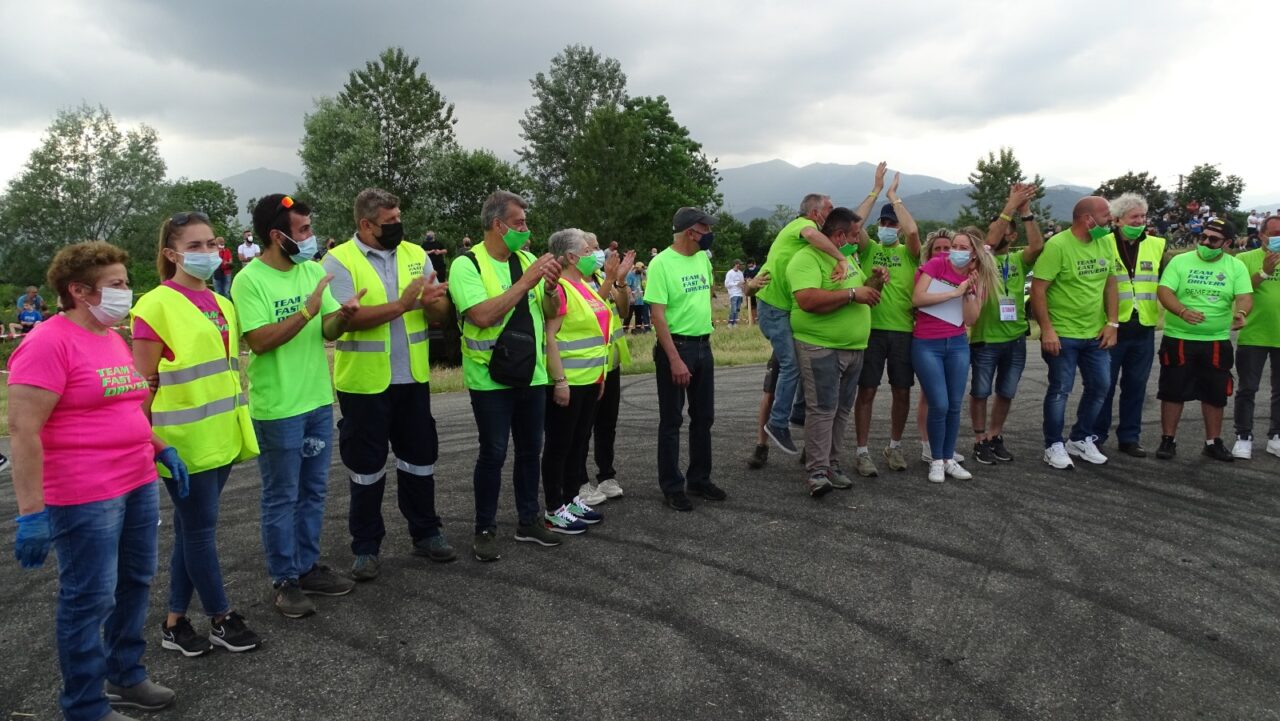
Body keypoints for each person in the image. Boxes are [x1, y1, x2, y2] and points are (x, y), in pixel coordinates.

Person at [9, 240, 183, 721]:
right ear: (79, 291)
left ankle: (125, 675)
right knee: (89, 599)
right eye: (117, 284)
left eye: (126, 282)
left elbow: (123, 407)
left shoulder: (108, 337)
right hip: (84, 493)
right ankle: (84, 705)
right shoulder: (47, 343)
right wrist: (31, 513)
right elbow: (23, 430)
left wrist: (160, 447)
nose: (127, 292)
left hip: (136, 480)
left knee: (135, 581)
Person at [131, 211, 262, 656]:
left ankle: (174, 622)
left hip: (221, 434)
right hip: (182, 441)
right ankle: (221, 617)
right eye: (195, 246)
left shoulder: (222, 303)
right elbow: (140, 387)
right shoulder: (155, 305)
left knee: (192, 530)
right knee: (200, 532)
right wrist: (146, 444)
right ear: (171, 254)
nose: (208, 252)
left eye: (212, 244)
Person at [232, 194, 358, 618]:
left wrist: (344, 316)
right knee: (282, 496)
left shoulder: (311, 270)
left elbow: (329, 328)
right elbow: (259, 341)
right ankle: (284, 580)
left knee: (313, 491)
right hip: (279, 409)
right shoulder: (249, 280)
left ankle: (307, 567)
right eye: (303, 230)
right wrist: (307, 311)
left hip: (317, 401)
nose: (310, 237)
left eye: (309, 228)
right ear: (276, 235)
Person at [322, 189, 455, 581]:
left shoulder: (416, 254)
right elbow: (348, 318)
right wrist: (403, 304)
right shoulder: (338, 260)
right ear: (366, 224)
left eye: (399, 218)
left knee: (420, 460)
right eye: (390, 221)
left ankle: (426, 532)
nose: (398, 226)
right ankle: (366, 547)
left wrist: (433, 302)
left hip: (412, 377)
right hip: (364, 384)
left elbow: (440, 311)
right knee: (366, 467)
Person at [447, 191, 564, 561]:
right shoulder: (467, 265)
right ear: (498, 225)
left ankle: (528, 520)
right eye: (519, 223)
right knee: (493, 453)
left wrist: (549, 289)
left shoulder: (527, 260)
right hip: (490, 379)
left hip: (532, 374)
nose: (526, 230)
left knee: (531, 451)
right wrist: (526, 283)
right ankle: (485, 528)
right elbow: (482, 316)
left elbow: (549, 312)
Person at [758, 166, 887, 457]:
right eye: (828, 208)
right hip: (775, 307)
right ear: (816, 213)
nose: (832, 212)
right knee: (789, 365)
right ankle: (776, 424)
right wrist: (840, 258)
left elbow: (853, 223)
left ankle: (797, 413)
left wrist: (875, 191)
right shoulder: (803, 226)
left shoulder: (832, 239)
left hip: (787, 309)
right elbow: (814, 234)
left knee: (798, 367)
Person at [789, 207, 884, 496]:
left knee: (841, 410)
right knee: (822, 409)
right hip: (821, 346)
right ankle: (817, 472)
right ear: (840, 235)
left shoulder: (848, 257)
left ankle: (831, 464)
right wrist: (854, 294)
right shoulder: (807, 258)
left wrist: (876, 281)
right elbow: (807, 300)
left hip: (853, 348)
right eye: (854, 235)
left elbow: (859, 291)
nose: (858, 240)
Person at [1030, 196, 1120, 470]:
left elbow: (1110, 284)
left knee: (1101, 386)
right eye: (1106, 216)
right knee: (1060, 389)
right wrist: (1047, 330)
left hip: (1095, 333)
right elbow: (1038, 289)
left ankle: (1080, 439)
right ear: (1087, 219)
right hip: (1063, 333)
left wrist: (1112, 323)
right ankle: (1053, 445)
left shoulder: (1106, 242)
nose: (1110, 221)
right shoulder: (1058, 245)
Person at [1154, 218, 1252, 461]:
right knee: (1172, 391)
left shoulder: (1235, 266)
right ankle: (1168, 440)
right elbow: (1164, 291)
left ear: (1227, 243)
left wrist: (1241, 313)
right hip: (1179, 338)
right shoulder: (1180, 261)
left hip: (1216, 341)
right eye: (1203, 237)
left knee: (1215, 394)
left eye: (1213, 240)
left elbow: (1244, 296)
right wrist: (1182, 311)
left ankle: (1213, 442)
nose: (1206, 242)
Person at [648, 207, 723, 511]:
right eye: (706, 229)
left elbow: (704, 296)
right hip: (677, 348)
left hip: (703, 345)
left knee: (703, 417)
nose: (710, 234)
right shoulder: (661, 264)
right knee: (672, 420)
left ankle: (699, 479)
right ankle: (672, 486)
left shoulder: (703, 258)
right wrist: (675, 359)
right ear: (691, 232)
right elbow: (657, 315)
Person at [540, 228, 613, 533]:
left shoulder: (585, 286)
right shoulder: (561, 289)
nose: (594, 255)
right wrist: (560, 381)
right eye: (587, 251)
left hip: (590, 380)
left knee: (578, 444)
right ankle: (554, 508)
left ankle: (571, 499)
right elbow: (551, 337)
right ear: (570, 257)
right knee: (560, 446)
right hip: (569, 383)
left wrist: (601, 376)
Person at [913, 228, 999, 482]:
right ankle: (936, 460)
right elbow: (917, 298)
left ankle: (948, 458)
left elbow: (970, 319)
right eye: (954, 246)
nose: (956, 252)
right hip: (927, 343)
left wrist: (970, 291)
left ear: (973, 254)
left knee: (953, 404)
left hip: (958, 344)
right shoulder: (936, 264)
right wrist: (954, 292)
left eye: (963, 248)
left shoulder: (977, 277)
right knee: (938, 403)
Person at [853, 172, 923, 476]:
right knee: (867, 390)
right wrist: (876, 190)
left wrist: (894, 198)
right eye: (883, 223)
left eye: (892, 223)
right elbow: (854, 225)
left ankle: (894, 446)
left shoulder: (909, 254)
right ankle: (862, 451)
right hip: (871, 331)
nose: (887, 227)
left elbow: (914, 231)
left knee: (902, 391)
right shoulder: (869, 249)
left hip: (904, 332)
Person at [969, 184, 1044, 464]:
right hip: (986, 339)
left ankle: (994, 435)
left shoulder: (1018, 260)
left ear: (1012, 235)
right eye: (993, 229)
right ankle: (979, 439)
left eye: (1002, 229)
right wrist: (1009, 206)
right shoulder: (981, 260)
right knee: (980, 392)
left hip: (1015, 338)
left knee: (1006, 391)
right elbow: (988, 243)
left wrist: (1025, 212)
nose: (997, 232)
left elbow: (1037, 246)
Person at [1092, 193, 1168, 457]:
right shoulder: (1102, 243)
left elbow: (1163, 283)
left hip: (1143, 326)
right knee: (1104, 386)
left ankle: (1129, 438)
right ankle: (1096, 435)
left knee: (1136, 387)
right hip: (1111, 327)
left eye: (1143, 216)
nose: (1140, 221)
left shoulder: (1157, 245)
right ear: (1117, 220)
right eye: (1134, 217)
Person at [585, 233, 634, 503]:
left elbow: (624, 311)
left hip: (610, 364)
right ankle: (579, 480)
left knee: (607, 424)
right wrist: (609, 281)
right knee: (583, 427)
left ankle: (606, 474)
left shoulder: (602, 277)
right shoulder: (575, 283)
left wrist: (621, 281)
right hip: (587, 367)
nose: (599, 252)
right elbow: (590, 311)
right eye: (592, 248)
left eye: (597, 247)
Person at [1233, 215, 1280, 459]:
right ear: (1261, 235)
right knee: (1247, 388)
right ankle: (1243, 436)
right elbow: (1240, 291)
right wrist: (1264, 271)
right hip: (1254, 333)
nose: (1279, 238)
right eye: (1275, 234)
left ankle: (1276, 436)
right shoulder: (1244, 259)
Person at [626, 261, 649, 333]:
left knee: (639, 315)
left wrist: (644, 275)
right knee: (629, 315)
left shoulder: (641, 275)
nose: (641, 271)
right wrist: (631, 297)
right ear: (637, 268)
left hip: (640, 299)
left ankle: (638, 329)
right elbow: (628, 286)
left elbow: (644, 285)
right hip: (632, 299)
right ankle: (625, 329)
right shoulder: (630, 275)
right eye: (640, 270)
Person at [725, 259, 746, 326]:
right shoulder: (729, 273)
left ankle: (735, 323)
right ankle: (730, 323)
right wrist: (736, 283)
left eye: (740, 264)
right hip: (733, 294)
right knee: (733, 309)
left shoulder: (740, 273)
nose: (740, 265)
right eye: (739, 264)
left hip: (740, 294)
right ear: (735, 264)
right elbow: (727, 284)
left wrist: (743, 286)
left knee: (737, 309)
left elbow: (742, 282)